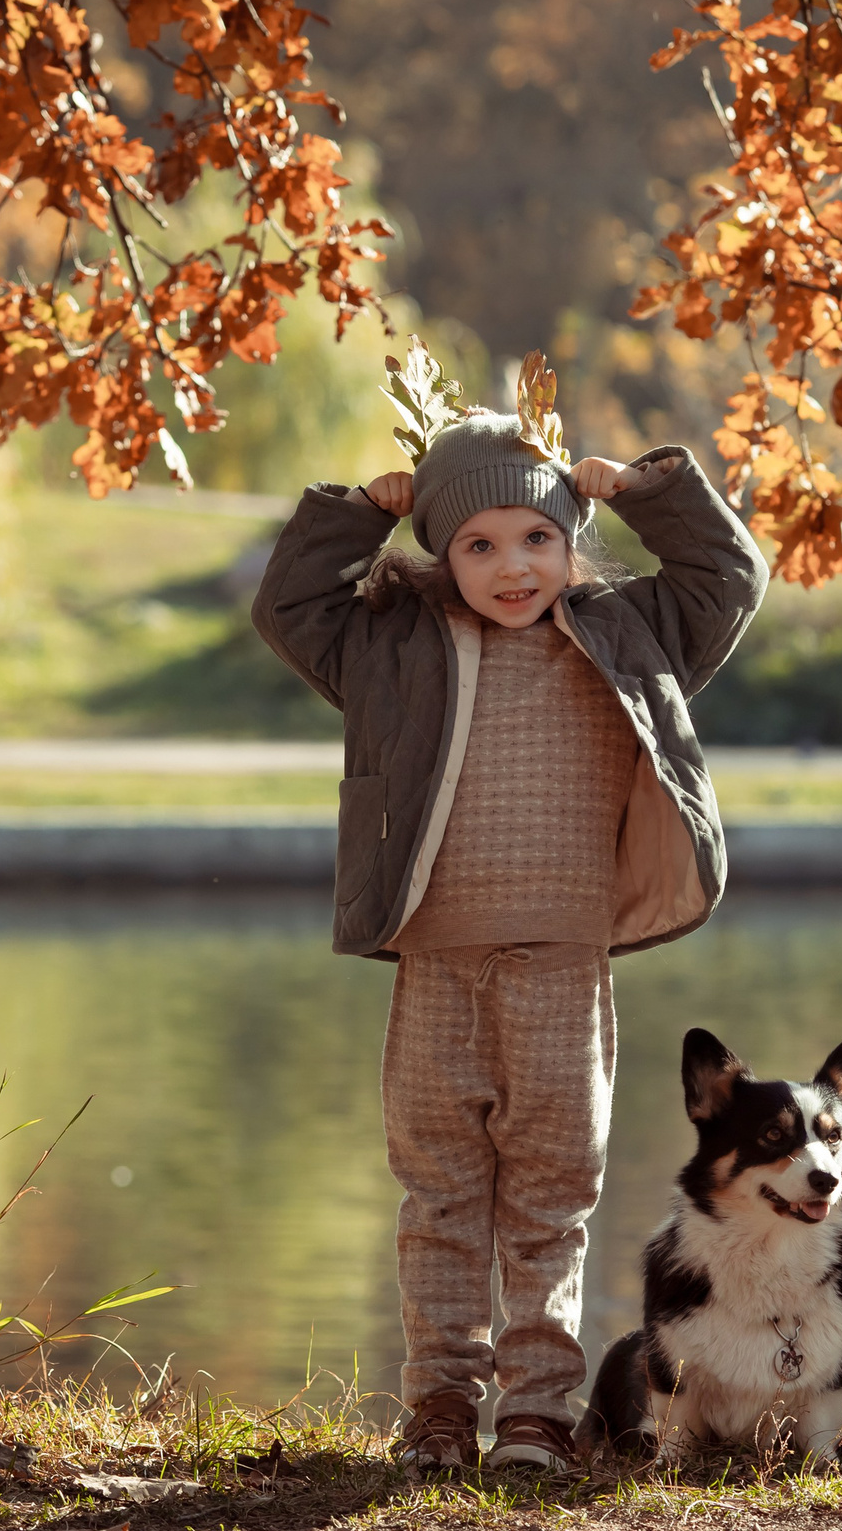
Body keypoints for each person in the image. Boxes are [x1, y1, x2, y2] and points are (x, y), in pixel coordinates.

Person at [252, 400, 768, 1472]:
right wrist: (359, 513)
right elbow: (290, 605)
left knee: (549, 1193)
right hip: (436, 960)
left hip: (563, 965)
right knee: (439, 1190)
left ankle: (535, 1410)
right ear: (440, 556)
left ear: (572, 539)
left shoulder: (628, 633)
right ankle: (439, 1403)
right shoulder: (390, 648)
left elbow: (730, 577)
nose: (512, 567)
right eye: (477, 545)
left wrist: (643, 487)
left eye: (537, 537)